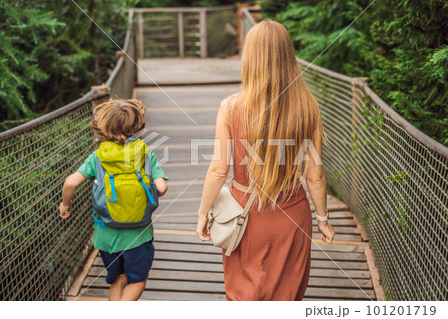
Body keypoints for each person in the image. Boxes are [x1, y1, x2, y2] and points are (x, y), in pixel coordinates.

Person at [195, 20, 335, 301]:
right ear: (288, 56)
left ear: (250, 56)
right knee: (287, 297)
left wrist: (203, 213)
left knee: (244, 297)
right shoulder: (308, 106)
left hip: (245, 217)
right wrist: (323, 219)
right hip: (293, 216)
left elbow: (218, 170)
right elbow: (315, 176)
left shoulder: (231, 107)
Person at [59, 99, 168, 301]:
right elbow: (161, 187)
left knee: (118, 279)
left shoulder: (98, 156)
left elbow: (71, 182)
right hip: (139, 237)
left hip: (105, 238)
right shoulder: (144, 154)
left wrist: (66, 204)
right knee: (136, 281)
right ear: (136, 126)